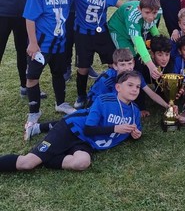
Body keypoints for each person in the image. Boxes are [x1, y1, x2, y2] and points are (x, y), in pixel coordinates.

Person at [0, 71, 142, 172]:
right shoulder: (104, 100)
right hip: (70, 130)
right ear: (118, 87)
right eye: (130, 85)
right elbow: (88, 129)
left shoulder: (135, 111)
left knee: (82, 163)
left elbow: (134, 131)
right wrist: (115, 128)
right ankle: (41, 156)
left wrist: (135, 134)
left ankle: (46, 157)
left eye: (137, 87)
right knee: (27, 163)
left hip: (86, 142)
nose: (135, 89)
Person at [23, 0, 76, 136]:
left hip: (60, 44)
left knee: (59, 73)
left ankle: (60, 103)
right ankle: (34, 112)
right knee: (32, 77)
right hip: (41, 46)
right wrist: (32, 43)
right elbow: (30, 18)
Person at [68, 0, 121, 109]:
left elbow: (122, 6)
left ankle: (115, 91)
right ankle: (81, 95)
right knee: (83, 66)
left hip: (102, 33)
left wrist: (137, 3)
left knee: (114, 63)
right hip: (83, 33)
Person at [86, 48, 169, 117]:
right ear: (115, 66)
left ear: (133, 63)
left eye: (129, 64)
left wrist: (167, 106)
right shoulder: (106, 79)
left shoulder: (136, 76)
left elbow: (151, 93)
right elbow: (98, 100)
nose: (127, 68)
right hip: (96, 102)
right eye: (122, 65)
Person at [108, 0, 162, 80]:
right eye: (147, 12)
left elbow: (152, 26)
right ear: (139, 9)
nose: (151, 17)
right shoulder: (134, 16)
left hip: (133, 29)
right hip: (119, 31)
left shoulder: (159, 10)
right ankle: (118, 79)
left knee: (139, 55)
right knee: (128, 57)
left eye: (154, 13)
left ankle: (140, 79)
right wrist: (151, 65)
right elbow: (138, 42)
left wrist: (159, 43)